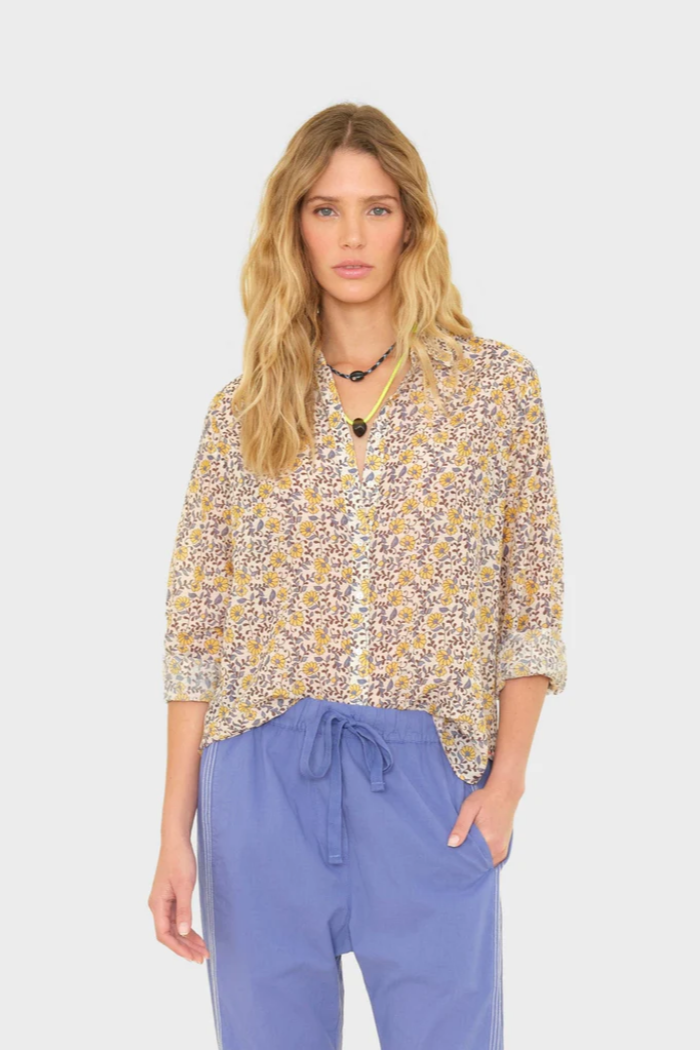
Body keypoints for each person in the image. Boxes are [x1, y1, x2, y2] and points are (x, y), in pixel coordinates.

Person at [148, 102, 567, 1050]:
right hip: (260, 784)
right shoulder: (241, 413)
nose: (351, 236)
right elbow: (194, 632)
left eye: (376, 209)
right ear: (293, 227)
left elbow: (532, 603)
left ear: (410, 223)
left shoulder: (495, 391)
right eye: (325, 209)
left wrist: (505, 785)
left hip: (430, 786)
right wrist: (177, 831)